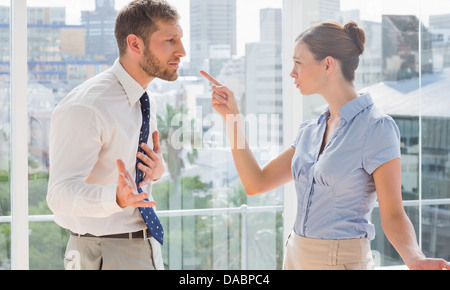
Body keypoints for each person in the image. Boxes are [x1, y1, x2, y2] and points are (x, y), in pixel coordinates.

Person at [201, 21, 450, 270]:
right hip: (295, 255)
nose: (292, 72)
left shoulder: (376, 128)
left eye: (298, 62)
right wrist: (232, 118)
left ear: (328, 64)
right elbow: (256, 183)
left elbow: (394, 214)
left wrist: (415, 258)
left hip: (340, 261)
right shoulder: (309, 131)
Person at [47, 0, 186, 270]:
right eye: (170, 40)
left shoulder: (143, 99)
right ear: (135, 44)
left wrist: (155, 171)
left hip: (142, 245)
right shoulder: (88, 106)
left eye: (179, 39)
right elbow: (59, 194)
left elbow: (125, 174)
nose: (182, 51)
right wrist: (116, 198)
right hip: (101, 251)